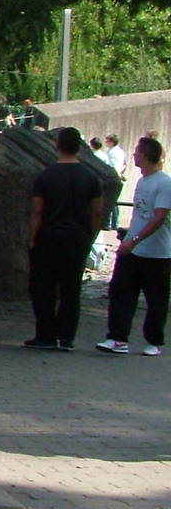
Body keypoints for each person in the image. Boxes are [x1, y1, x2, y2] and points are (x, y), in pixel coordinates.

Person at [25, 128, 102, 351]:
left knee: (44, 288)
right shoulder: (91, 177)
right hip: (77, 237)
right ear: (79, 147)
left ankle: (45, 334)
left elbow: (37, 210)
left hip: (49, 236)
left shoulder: (45, 176)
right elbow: (97, 211)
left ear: (57, 145)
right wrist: (90, 235)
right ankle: (66, 336)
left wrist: (32, 237)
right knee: (71, 289)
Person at [97, 137, 171, 356]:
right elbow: (141, 214)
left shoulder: (164, 183)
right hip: (132, 249)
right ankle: (118, 338)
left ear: (145, 156)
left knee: (156, 299)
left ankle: (153, 341)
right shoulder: (142, 181)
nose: (134, 155)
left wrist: (134, 239)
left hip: (157, 253)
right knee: (121, 292)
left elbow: (159, 217)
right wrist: (128, 235)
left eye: (137, 152)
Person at [102, 134, 129, 232]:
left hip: (111, 177)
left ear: (112, 142)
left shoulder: (111, 152)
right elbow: (124, 164)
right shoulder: (120, 151)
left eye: (107, 141)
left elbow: (112, 165)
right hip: (117, 176)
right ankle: (115, 223)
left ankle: (108, 223)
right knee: (115, 201)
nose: (105, 143)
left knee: (109, 199)